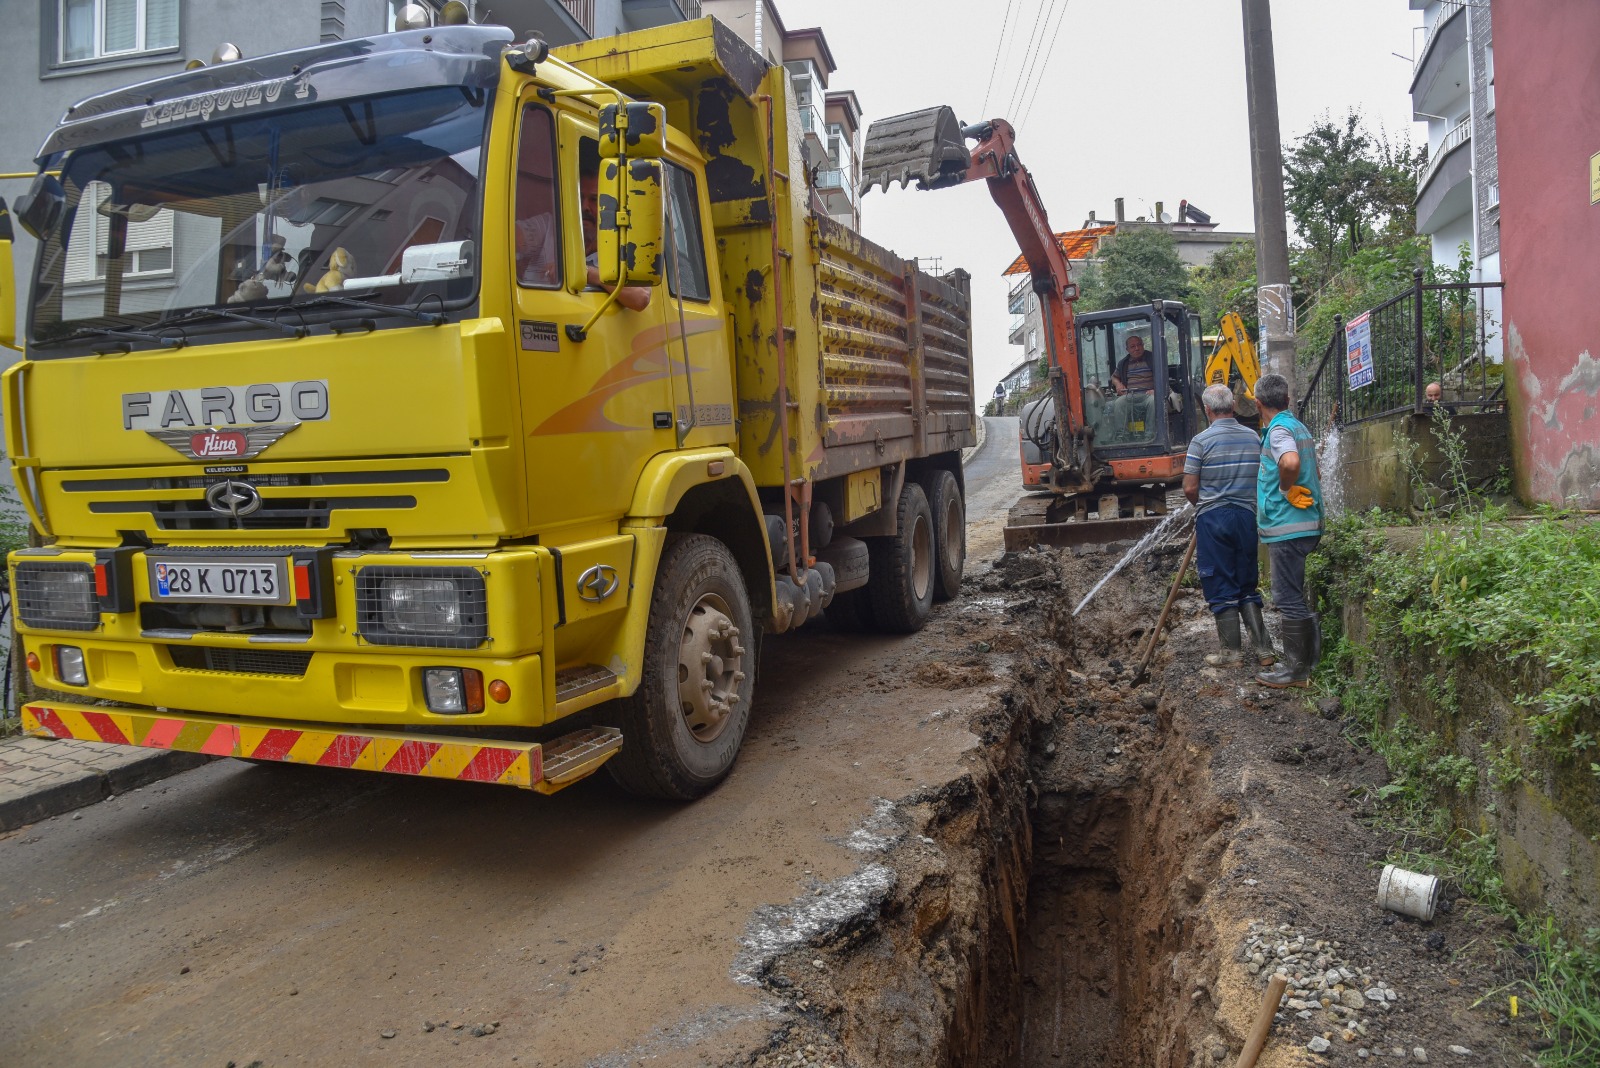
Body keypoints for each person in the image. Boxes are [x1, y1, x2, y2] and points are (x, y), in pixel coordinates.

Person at [1183, 383, 1274, 667]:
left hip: (1214, 518)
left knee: (1219, 578)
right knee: (1246, 579)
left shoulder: (1200, 441)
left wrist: (1205, 506)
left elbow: (1189, 487)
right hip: (1246, 516)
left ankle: (1231, 653)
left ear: (1207, 410)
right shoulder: (1253, 437)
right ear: (1233, 406)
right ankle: (1264, 651)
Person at [1253, 373, 1325, 688]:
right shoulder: (1298, 426)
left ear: (1257, 404)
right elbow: (1315, 469)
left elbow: (1291, 463)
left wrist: (1285, 490)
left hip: (1288, 526)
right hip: (1305, 523)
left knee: (1287, 596)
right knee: (1292, 594)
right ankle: (1308, 662)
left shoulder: (1279, 430)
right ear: (1287, 399)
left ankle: (1296, 672)